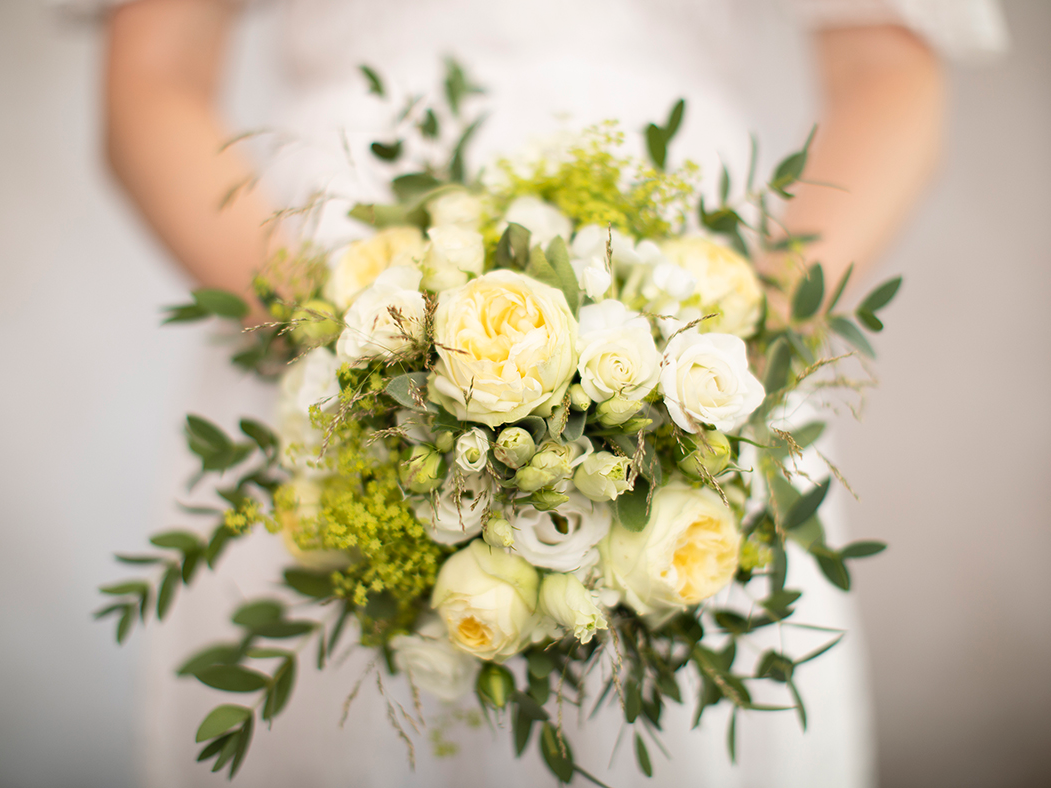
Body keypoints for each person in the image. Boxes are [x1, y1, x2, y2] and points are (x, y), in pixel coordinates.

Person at [94, 1, 1006, 786]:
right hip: (327, 285)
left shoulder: (702, 356)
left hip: (685, 298)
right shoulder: (336, 338)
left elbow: (885, 72)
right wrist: (348, 353)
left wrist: (706, 370)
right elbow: (155, 72)